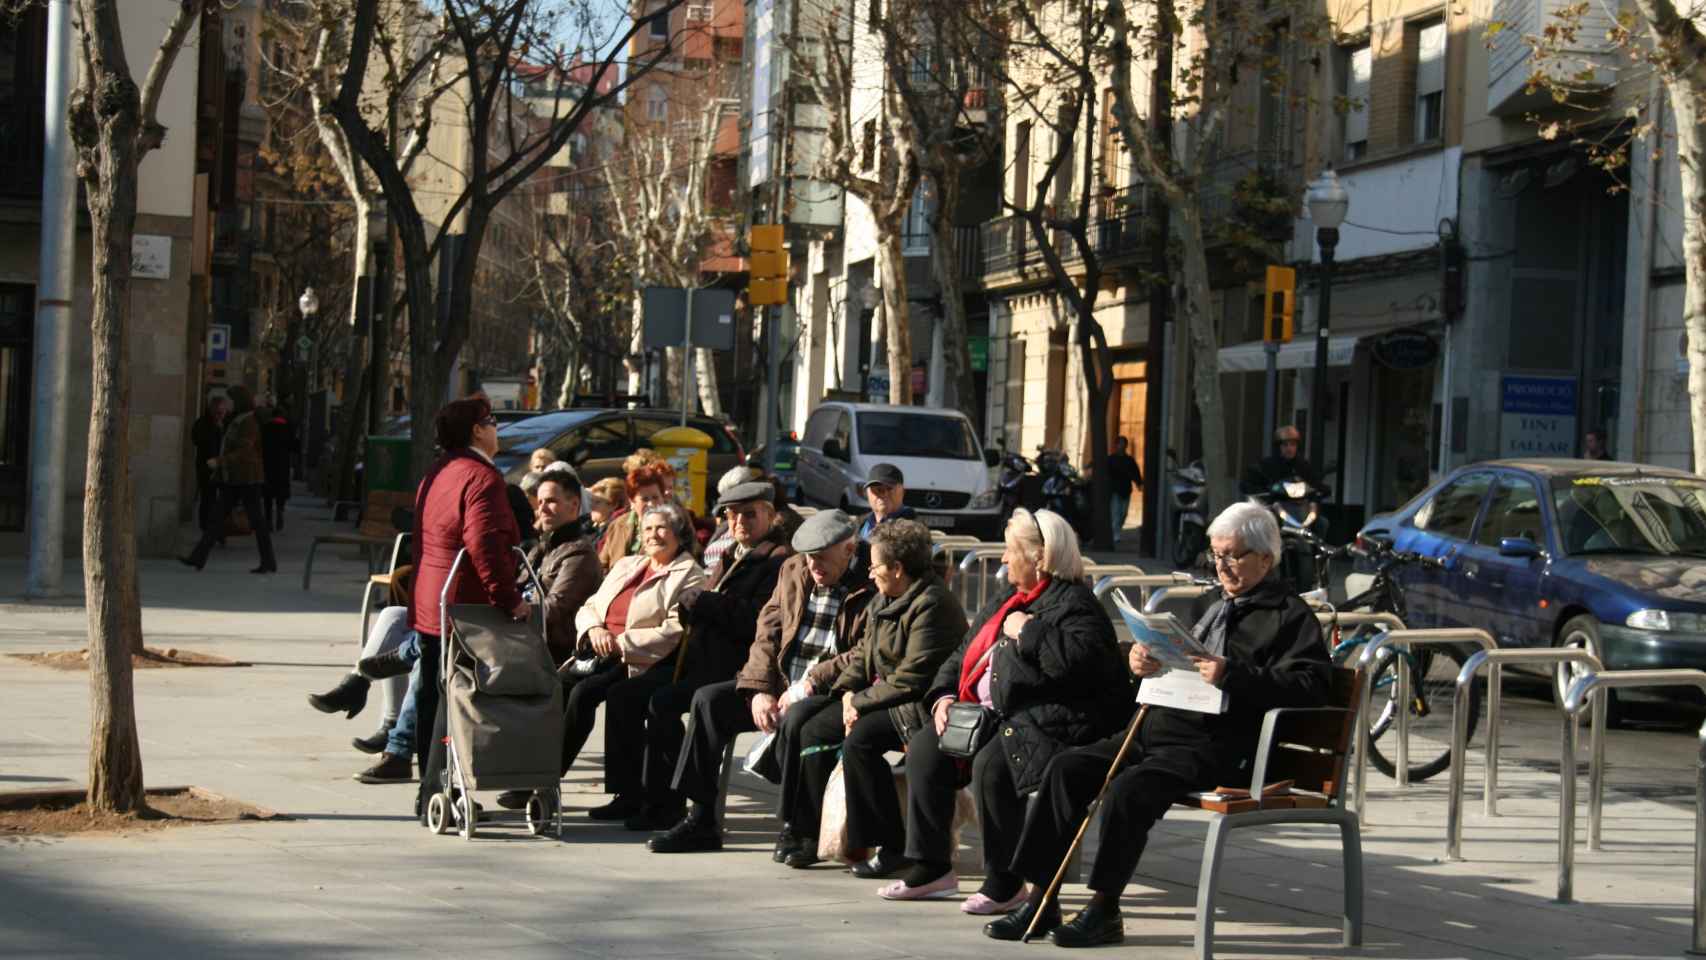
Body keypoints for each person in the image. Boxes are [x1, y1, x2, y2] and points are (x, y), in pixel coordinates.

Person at [985, 501, 1329, 946]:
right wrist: (1142, 660)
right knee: (1066, 770)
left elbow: (1312, 687)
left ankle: (1104, 908)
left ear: (1266, 557)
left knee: (1131, 789)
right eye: (1216, 555)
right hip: (1159, 728)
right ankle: (1040, 898)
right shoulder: (1213, 604)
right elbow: (1180, 660)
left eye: (1233, 555)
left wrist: (1233, 674)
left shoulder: (1290, 617)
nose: (1221, 566)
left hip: (1219, 745)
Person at [876, 508, 1131, 906]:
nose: (1004, 560)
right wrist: (943, 695)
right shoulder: (1007, 598)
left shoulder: (1076, 605)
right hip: (993, 713)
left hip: (1054, 720)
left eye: (1012, 551)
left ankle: (1005, 882)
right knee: (926, 748)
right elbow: (962, 654)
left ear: (1039, 558)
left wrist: (1027, 631)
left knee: (993, 766)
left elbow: (1075, 668)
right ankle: (932, 866)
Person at [649, 509, 875, 855]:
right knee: (708, 702)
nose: (814, 566)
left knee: (800, 720)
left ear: (848, 549)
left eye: (822, 559)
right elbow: (766, 633)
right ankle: (702, 818)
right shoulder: (794, 570)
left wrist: (811, 683)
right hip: (783, 681)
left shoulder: (871, 581)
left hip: (832, 688)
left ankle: (795, 826)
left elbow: (864, 651)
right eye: (809, 557)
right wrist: (759, 689)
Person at [598, 480, 796, 832]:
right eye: (732, 515)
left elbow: (756, 620)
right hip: (699, 660)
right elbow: (708, 603)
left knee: (664, 702)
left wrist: (704, 603)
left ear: (770, 515)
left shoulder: (778, 561)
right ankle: (629, 793)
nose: (739, 523)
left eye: (750, 515)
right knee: (624, 694)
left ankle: (667, 804)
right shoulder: (732, 555)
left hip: (734, 668)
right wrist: (695, 606)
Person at [783, 519, 964, 870]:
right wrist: (849, 692)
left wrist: (859, 705)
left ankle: (886, 843)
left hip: (917, 706)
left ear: (898, 568)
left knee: (860, 742)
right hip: (878, 697)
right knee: (811, 727)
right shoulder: (884, 598)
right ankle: (809, 833)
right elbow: (864, 652)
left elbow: (913, 679)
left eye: (876, 564)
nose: (870, 571)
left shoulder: (932, 604)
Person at [411, 397, 529, 818]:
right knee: (455, 698)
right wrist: (508, 598)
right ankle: (441, 790)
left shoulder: (438, 470)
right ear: (477, 430)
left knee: (433, 693)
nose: (497, 428)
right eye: (492, 421)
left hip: (432, 598)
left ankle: (432, 792)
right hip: (465, 603)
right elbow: (484, 543)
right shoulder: (482, 477)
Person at [562, 502, 706, 823]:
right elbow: (590, 605)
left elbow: (673, 630)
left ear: (679, 533)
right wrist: (593, 628)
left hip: (646, 660)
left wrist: (619, 643)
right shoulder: (628, 564)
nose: (653, 535)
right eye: (648, 529)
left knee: (591, 695)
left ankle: (622, 793)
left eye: (661, 528)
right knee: (556, 688)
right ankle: (536, 773)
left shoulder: (690, 575)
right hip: (599, 649)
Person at [180, 385, 277, 574]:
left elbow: (244, 450)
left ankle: (268, 561)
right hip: (236, 477)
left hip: (247, 478)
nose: (227, 404)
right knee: (217, 519)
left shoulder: (247, 421)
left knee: (256, 521)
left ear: (238, 401)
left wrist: (220, 461)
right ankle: (198, 558)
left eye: (229, 400)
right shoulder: (238, 419)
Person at [597, 462, 676, 572]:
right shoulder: (617, 525)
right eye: (645, 499)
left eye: (655, 497)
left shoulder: (675, 525)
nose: (651, 504)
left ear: (663, 498)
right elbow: (602, 565)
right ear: (632, 502)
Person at [1242, 424, 1323, 495]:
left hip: (1299, 506)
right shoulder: (1267, 465)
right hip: (1274, 507)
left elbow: (1314, 484)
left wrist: (1321, 489)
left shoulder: (1303, 466)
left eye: (1293, 444)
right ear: (1278, 447)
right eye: (1285, 445)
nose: (1289, 448)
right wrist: (1268, 489)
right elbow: (1248, 484)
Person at [191, 393, 228, 537]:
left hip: (218, 465)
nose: (222, 414)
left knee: (214, 498)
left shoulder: (221, 424)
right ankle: (207, 526)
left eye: (223, 411)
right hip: (206, 465)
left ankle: (213, 528)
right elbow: (197, 439)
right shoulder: (204, 424)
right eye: (219, 411)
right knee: (208, 497)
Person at [259, 401, 295, 532]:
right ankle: (280, 510)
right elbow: (293, 446)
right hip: (283, 464)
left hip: (268, 463)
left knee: (268, 493)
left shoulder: (266, 427)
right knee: (281, 491)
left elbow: (261, 444)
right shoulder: (288, 427)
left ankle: (268, 519)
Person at [857, 463, 917, 541]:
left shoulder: (914, 529)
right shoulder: (860, 525)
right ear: (867, 493)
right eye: (878, 490)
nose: (884, 494)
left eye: (889, 488)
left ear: (902, 492)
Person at [1105, 436, 1142, 545]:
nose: (1121, 446)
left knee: (1124, 513)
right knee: (1116, 513)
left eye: (1123, 444)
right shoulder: (1111, 459)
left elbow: (1135, 472)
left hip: (1126, 489)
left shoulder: (1129, 460)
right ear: (1116, 445)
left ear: (1126, 446)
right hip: (1115, 490)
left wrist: (1138, 483)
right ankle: (1116, 534)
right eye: (1119, 443)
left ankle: (1117, 530)